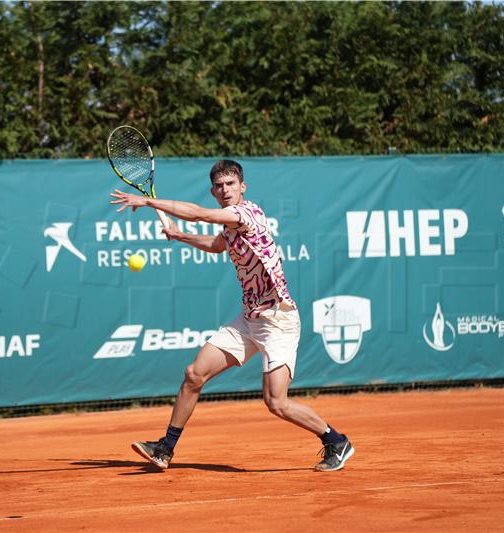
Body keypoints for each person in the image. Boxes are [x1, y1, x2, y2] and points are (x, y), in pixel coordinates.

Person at [110, 160, 353, 472]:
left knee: (276, 402)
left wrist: (147, 201)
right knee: (194, 375)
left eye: (231, 184)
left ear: (243, 187)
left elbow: (200, 214)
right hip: (249, 319)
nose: (225, 190)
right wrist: (181, 236)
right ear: (213, 190)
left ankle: (335, 440)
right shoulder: (231, 226)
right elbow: (216, 245)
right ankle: (165, 448)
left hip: (278, 321)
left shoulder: (245, 214)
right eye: (220, 186)